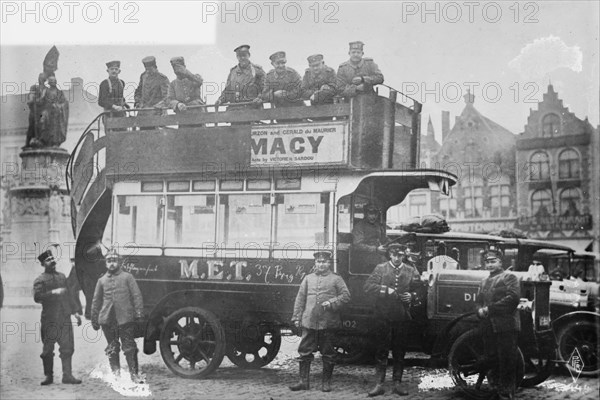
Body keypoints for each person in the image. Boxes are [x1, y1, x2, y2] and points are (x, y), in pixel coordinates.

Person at [363, 242, 421, 397]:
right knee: (382, 350)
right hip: (383, 316)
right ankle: (379, 384)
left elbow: (420, 290)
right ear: (390, 255)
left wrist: (412, 296)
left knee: (399, 351)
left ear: (403, 255)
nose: (397, 258)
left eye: (400, 255)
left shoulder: (410, 270)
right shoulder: (380, 268)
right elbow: (368, 287)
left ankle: (397, 383)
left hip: (402, 316)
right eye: (394, 255)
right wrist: (385, 289)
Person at [290, 251, 350, 392]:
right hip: (309, 321)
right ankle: (303, 382)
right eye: (318, 262)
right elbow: (300, 299)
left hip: (327, 322)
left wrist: (331, 302)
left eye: (324, 262)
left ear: (329, 263)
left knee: (328, 352)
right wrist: (297, 317)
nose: (321, 264)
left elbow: (346, 296)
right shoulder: (308, 278)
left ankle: (326, 383)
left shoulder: (336, 279)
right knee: (304, 351)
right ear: (315, 263)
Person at [91, 248, 144, 382]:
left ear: (119, 262)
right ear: (105, 263)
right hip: (108, 320)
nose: (112, 263)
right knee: (112, 347)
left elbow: (137, 296)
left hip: (125, 319)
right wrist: (94, 319)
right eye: (109, 261)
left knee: (130, 348)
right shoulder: (101, 280)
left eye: (114, 260)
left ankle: (134, 375)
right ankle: (116, 376)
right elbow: (96, 301)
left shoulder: (128, 277)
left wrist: (138, 314)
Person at [476, 248, 521, 400]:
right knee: (491, 358)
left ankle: (506, 393)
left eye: (493, 261)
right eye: (487, 262)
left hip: (505, 325)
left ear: (501, 262)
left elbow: (513, 298)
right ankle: (494, 389)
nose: (489, 264)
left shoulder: (509, 277)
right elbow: (478, 302)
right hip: (488, 326)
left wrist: (489, 309)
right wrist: (479, 311)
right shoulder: (483, 281)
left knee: (507, 360)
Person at [33, 250, 82, 385]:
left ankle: (67, 376)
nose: (52, 261)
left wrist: (76, 312)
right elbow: (37, 297)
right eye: (48, 259)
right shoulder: (40, 280)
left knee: (67, 348)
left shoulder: (62, 277)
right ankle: (48, 376)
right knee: (48, 350)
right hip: (49, 320)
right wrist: (53, 292)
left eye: (52, 258)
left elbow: (69, 296)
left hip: (64, 319)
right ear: (43, 264)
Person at [352, 203, 388, 273]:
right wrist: (376, 249)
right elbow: (357, 245)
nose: (373, 216)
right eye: (371, 214)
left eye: (376, 214)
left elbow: (384, 238)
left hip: (377, 254)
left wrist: (396, 243)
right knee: (386, 267)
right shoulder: (359, 227)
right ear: (365, 214)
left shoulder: (378, 225)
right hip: (363, 257)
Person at [38, 74, 69, 147]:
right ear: (48, 83)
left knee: (55, 128)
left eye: (54, 81)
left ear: (56, 82)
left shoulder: (59, 92)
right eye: (51, 81)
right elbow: (41, 101)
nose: (52, 82)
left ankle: (55, 142)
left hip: (56, 114)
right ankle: (44, 141)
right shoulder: (45, 91)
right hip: (47, 112)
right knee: (43, 122)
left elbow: (64, 103)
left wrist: (58, 106)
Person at [25, 72, 47, 147]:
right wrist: (36, 100)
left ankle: (42, 141)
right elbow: (31, 99)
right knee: (32, 126)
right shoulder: (34, 87)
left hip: (42, 111)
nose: (41, 80)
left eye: (43, 79)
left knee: (42, 124)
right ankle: (28, 143)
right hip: (34, 110)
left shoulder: (46, 89)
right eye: (40, 78)